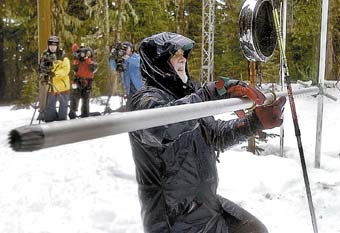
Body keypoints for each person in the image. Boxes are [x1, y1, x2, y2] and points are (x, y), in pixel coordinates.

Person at [128, 32, 286, 233]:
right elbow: (162, 126)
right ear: (157, 63)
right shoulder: (144, 99)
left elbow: (214, 135)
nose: (182, 58)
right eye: (173, 54)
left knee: (254, 230)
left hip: (206, 204)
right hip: (172, 217)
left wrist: (254, 122)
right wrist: (207, 94)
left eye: (183, 54)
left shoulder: (189, 95)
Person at [38, 35, 70, 122]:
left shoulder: (63, 55)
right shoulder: (45, 55)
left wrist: (55, 74)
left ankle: (62, 123)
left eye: (54, 45)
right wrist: (43, 73)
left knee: (63, 107)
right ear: (48, 45)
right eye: (51, 45)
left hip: (63, 85)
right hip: (51, 86)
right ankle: (50, 120)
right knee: (50, 109)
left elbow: (66, 69)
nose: (52, 47)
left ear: (57, 45)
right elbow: (41, 68)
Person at [69, 43, 98, 119]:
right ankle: (72, 113)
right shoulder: (78, 60)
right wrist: (77, 55)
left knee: (86, 99)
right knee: (74, 97)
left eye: (88, 53)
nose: (86, 54)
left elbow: (93, 68)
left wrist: (87, 59)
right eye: (86, 53)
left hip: (88, 82)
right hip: (77, 80)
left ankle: (85, 114)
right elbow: (74, 68)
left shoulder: (92, 62)